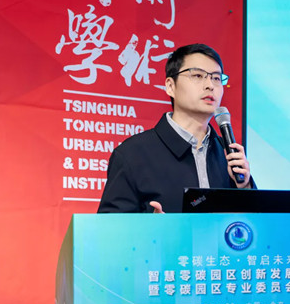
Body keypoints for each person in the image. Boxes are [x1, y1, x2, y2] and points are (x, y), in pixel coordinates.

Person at [97, 43, 253, 213]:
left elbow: (253, 224)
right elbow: (110, 225)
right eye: (198, 75)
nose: (210, 85)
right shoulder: (132, 154)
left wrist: (245, 187)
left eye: (216, 78)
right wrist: (149, 226)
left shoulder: (228, 154)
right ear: (171, 86)